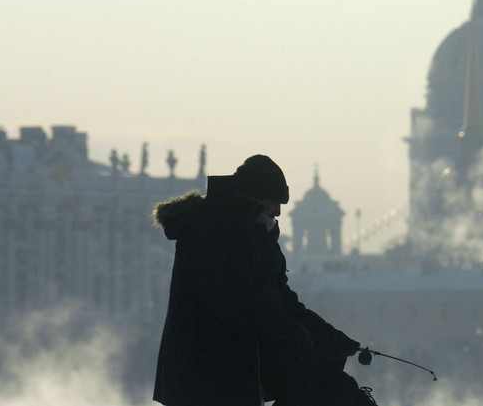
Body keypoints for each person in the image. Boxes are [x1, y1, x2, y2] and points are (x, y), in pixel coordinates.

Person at [152, 154, 378, 406]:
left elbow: (281, 299)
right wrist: (297, 336)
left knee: (324, 377)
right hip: (204, 373)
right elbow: (238, 303)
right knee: (322, 381)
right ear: (254, 197)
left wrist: (327, 336)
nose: (279, 211)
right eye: (274, 202)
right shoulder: (214, 230)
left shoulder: (251, 232)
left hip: (232, 368)